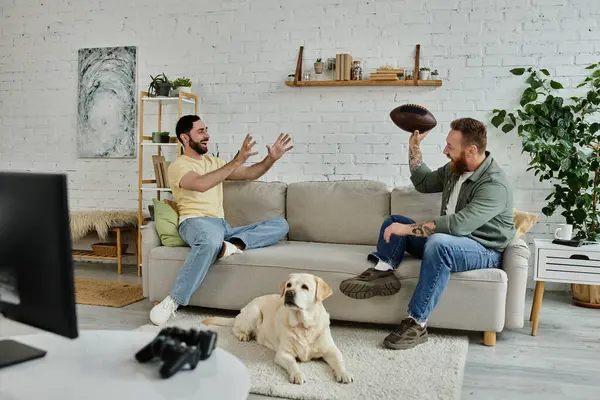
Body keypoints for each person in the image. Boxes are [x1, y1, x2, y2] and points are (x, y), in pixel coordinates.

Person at [339, 117, 515, 350]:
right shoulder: (455, 169)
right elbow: (423, 182)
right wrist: (414, 146)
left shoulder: (494, 184)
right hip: (447, 241)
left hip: (482, 248)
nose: (444, 151)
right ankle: (382, 272)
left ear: (471, 150)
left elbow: (460, 225)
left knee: (438, 243)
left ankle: (416, 323)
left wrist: (409, 229)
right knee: (394, 221)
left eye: (450, 147)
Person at [150, 115, 293, 325]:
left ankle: (232, 245)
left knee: (281, 225)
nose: (206, 135)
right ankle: (173, 300)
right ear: (185, 137)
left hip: (222, 227)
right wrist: (236, 160)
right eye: (200, 131)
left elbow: (250, 173)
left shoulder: (214, 163)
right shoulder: (178, 166)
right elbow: (200, 184)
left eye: (206, 130)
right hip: (194, 223)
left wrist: (271, 159)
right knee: (208, 242)